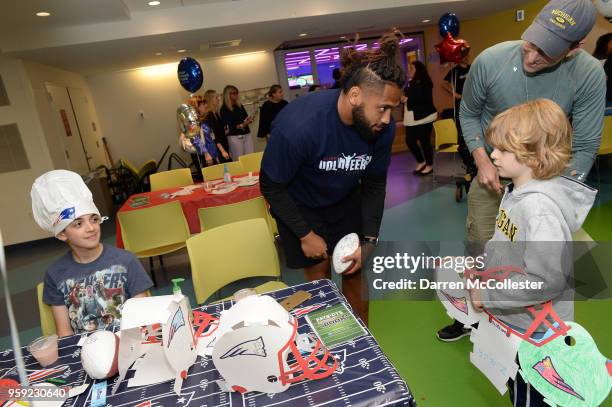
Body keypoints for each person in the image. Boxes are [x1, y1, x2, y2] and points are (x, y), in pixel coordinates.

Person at [437, 0, 606, 342]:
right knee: (486, 245)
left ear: (576, 48)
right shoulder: (491, 61)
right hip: (492, 178)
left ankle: (518, 326)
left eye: (547, 53)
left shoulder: (589, 75)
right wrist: (484, 160)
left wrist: (554, 197)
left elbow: (586, 145)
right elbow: (467, 114)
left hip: (543, 183)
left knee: (535, 265)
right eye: (532, 43)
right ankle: (471, 315)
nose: (531, 58)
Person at [260, 34, 405, 325]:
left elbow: (375, 183)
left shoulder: (380, 129)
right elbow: (270, 185)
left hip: (345, 200)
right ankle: (324, 344)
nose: (389, 119)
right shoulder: (299, 126)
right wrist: (305, 234)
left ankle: (365, 339)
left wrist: (369, 240)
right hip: (301, 206)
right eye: (383, 108)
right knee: (319, 283)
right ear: (355, 96)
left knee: (354, 271)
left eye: (393, 108)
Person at [468, 99, 596, 405]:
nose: (493, 155)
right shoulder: (516, 191)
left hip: (536, 334)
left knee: (532, 396)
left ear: (534, 154)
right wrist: (484, 270)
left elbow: (544, 280)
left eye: (503, 149)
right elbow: (504, 243)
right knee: (517, 389)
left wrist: (488, 297)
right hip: (515, 320)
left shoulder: (539, 209)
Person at [32, 170, 153, 336]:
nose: (91, 228)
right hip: (86, 351)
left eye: (94, 219)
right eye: (78, 224)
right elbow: (65, 333)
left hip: (130, 343)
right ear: (61, 233)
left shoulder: (126, 261)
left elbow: (145, 318)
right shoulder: (55, 273)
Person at [402, 60, 437, 175]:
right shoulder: (410, 82)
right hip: (411, 117)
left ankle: (429, 165)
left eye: (411, 69)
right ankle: (421, 162)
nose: (409, 71)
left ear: (418, 71)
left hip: (424, 116)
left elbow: (423, 99)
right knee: (410, 141)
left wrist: (407, 99)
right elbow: (408, 97)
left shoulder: (425, 82)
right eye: (409, 69)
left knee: (424, 142)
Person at [220, 85, 255, 159]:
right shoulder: (224, 109)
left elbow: (245, 117)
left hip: (246, 134)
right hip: (234, 137)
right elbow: (228, 127)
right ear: (228, 95)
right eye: (234, 93)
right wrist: (242, 125)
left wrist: (248, 120)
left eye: (237, 93)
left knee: (250, 157)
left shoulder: (239, 105)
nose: (236, 95)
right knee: (239, 159)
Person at [203, 89, 231, 163]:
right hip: (217, 148)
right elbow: (213, 136)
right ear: (211, 100)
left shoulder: (216, 114)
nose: (219, 99)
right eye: (216, 97)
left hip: (223, 144)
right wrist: (222, 151)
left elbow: (218, 131)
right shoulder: (209, 115)